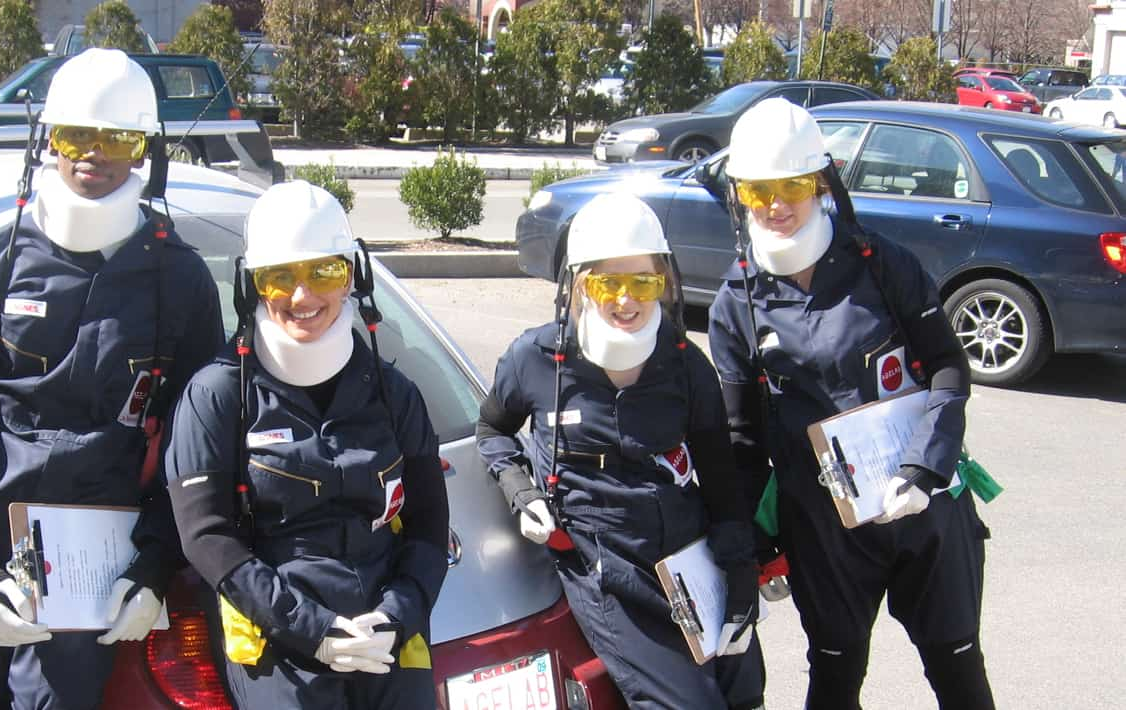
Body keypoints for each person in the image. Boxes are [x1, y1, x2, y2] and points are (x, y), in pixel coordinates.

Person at [0, 48, 224, 708]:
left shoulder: (181, 282)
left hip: (89, 567)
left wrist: (155, 566)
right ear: (47, 140)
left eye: (117, 137)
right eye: (75, 134)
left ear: (145, 150)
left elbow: (200, 452)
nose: (93, 154)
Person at [707, 98, 994, 709]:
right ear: (740, 195)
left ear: (821, 181)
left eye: (793, 185)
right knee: (834, 678)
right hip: (824, 529)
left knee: (958, 670)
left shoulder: (883, 263)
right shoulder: (738, 303)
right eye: (759, 191)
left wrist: (926, 468)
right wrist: (751, 546)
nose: (778, 205)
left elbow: (947, 366)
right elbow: (744, 440)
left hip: (923, 507)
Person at [165, 181, 449, 709]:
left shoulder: (392, 392)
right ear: (253, 286)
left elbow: (431, 524)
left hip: (386, 635)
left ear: (353, 277)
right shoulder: (218, 394)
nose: (303, 297)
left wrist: (398, 615)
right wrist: (313, 630)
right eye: (280, 277)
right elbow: (206, 537)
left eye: (324, 271)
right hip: (279, 638)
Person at [476, 192, 765, 710]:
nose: (626, 301)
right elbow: (492, 429)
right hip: (603, 562)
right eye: (607, 282)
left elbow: (720, 476)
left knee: (745, 691)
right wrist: (520, 489)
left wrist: (740, 579)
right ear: (578, 283)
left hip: (686, 553)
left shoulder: (684, 363)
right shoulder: (536, 359)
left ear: (665, 282)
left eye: (643, 282)